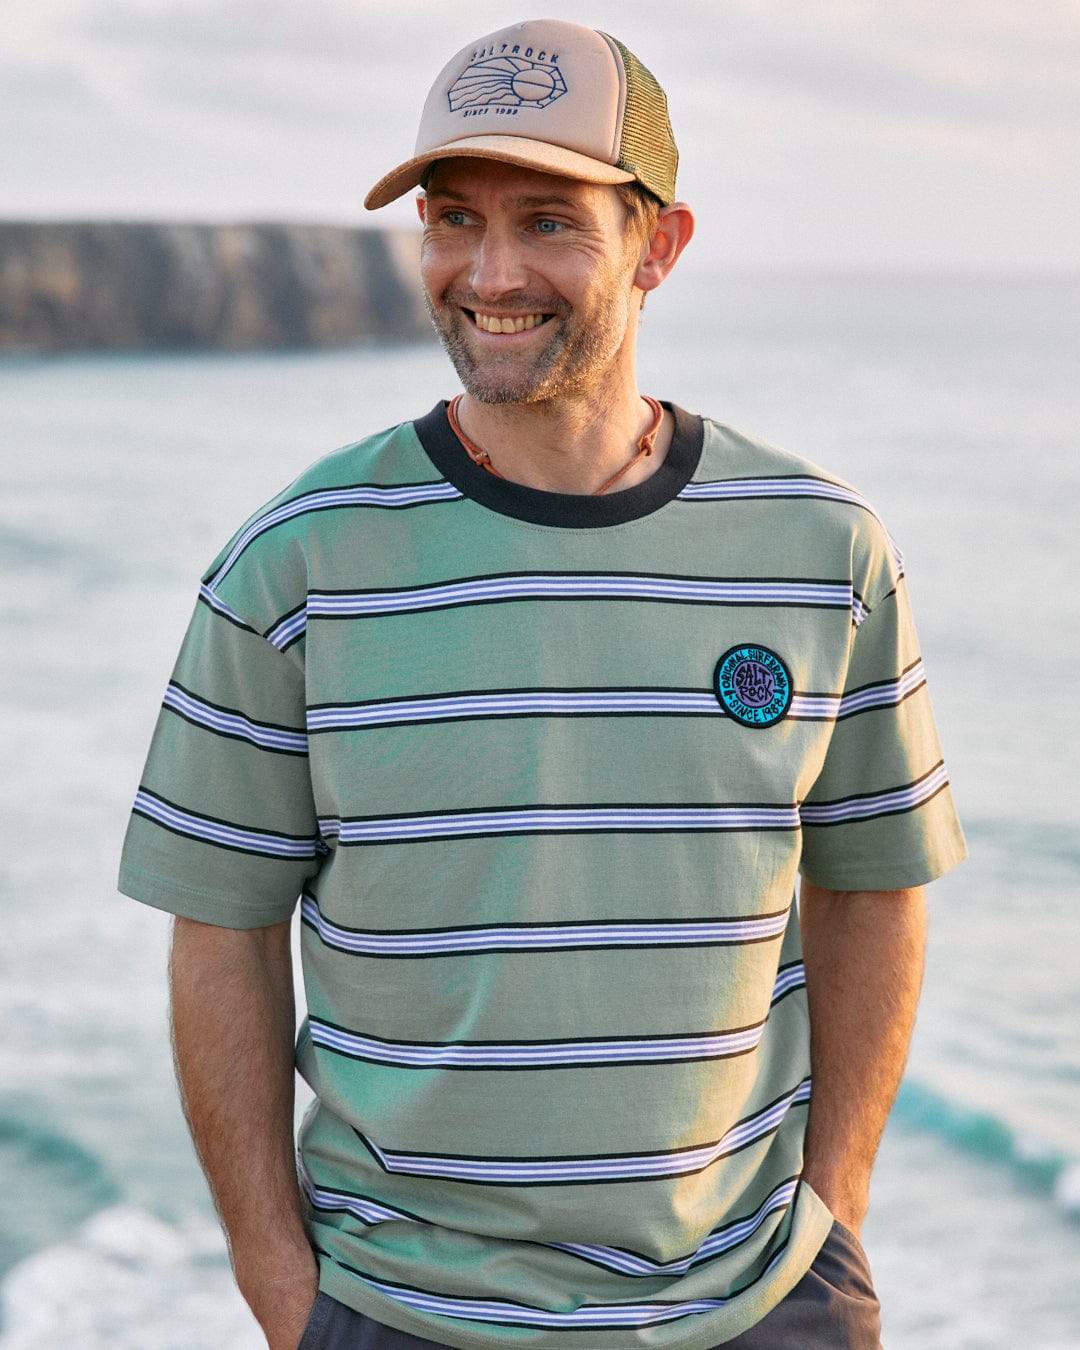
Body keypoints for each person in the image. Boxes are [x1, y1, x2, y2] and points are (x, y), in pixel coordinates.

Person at [118, 18, 966, 1350]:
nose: (490, 273)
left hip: (754, 1306)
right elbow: (218, 928)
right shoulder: (292, 565)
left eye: (551, 222)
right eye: (454, 219)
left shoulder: (823, 551)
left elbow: (874, 877)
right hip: (402, 1315)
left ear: (659, 246)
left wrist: (836, 1208)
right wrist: (285, 1294)